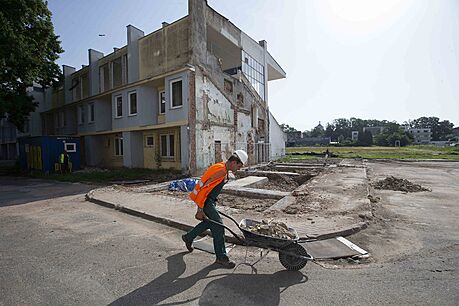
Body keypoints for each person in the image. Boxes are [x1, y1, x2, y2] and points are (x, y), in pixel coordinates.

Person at [182, 149, 248, 269]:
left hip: (209, 201)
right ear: (234, 162)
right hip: (206, 202)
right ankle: (221, 257)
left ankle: (188, 237)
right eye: (239, 166)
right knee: (218, 227)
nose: (239, 169)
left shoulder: (222, 167)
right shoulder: (221, 171)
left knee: (210, 223)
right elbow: (203, 190)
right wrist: (200, 209)